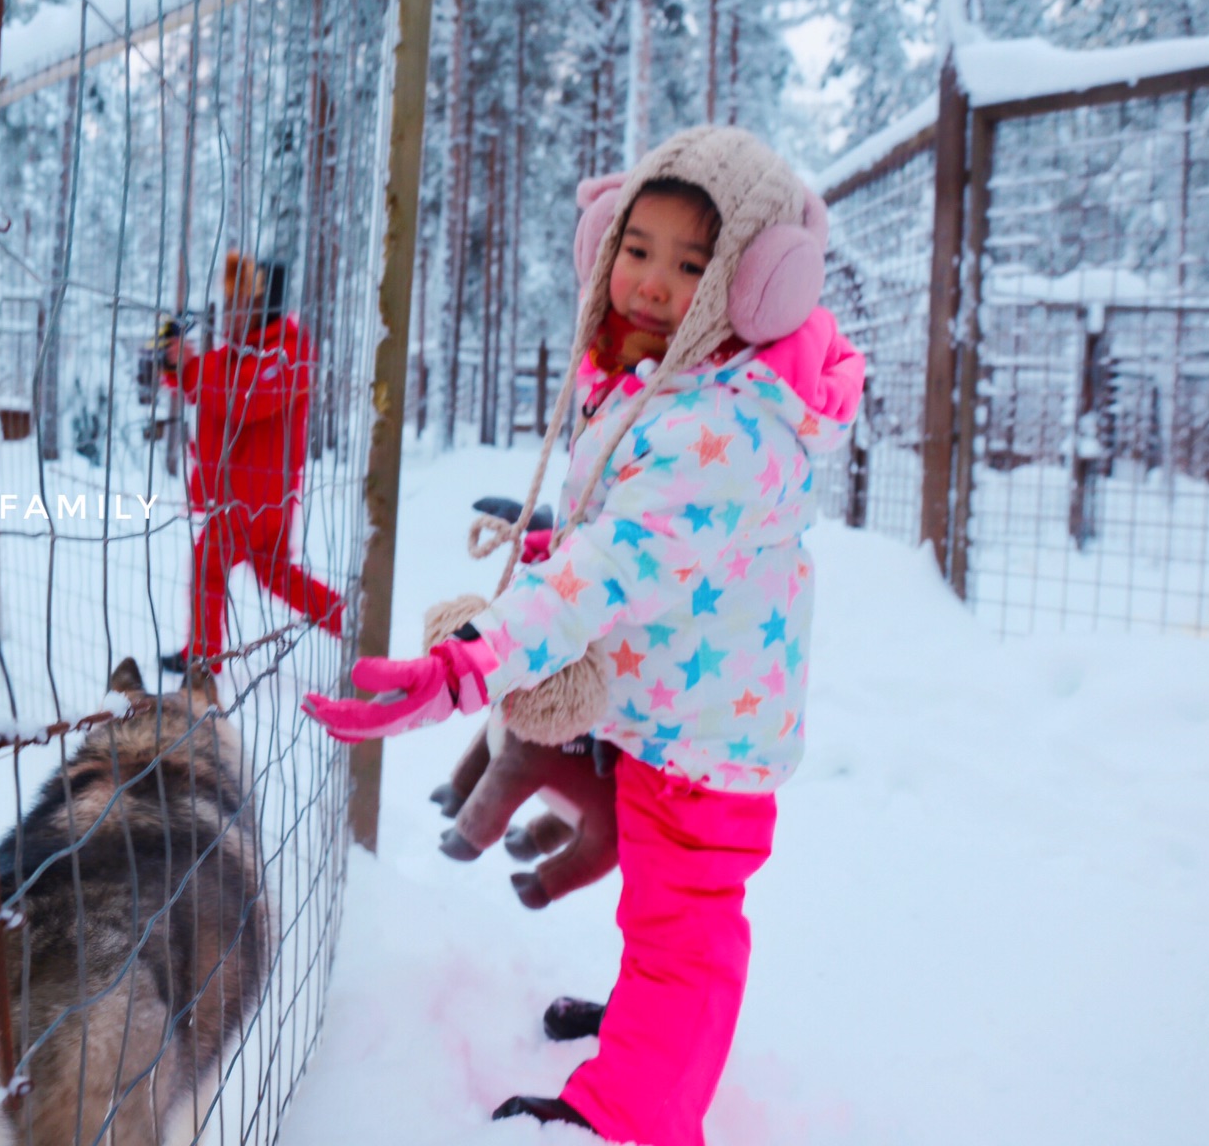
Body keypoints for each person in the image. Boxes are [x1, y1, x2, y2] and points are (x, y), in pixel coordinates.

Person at [304, 126, 864, 1145]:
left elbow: (618, 564)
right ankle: (659, 1037)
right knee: (664, 917)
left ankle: (634, 1112)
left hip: (708, 735)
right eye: (637, 245)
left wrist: (475, 658)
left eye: (694, 264)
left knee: (683, 931)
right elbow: (629, 536)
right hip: (676, 710)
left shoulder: (724, 427)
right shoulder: (682, 382)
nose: (650, 280)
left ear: (756, 286)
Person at [159, 251, 344, 674]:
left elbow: (241, 398)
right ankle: (347, 621)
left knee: (209, 566)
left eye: (240, 305)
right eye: (228, 305)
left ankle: (203, 659)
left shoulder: (287, 352)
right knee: (276, 574)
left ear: (264, 307)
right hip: (256, 498)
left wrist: (189, 368)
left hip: (250, 499)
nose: (230, 315)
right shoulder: (244, 352)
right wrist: (177, 363)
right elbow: (207, 381)